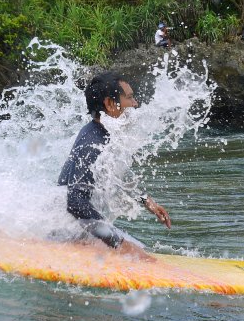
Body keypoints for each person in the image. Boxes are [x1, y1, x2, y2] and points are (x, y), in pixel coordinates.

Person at [58, 72, 171, 261]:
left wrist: (146, 200)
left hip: (83, 228)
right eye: (129, 98)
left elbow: (115, 178)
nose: (135, 104)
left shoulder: (104, 134)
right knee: (133, 249)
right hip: (65, 233)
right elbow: (75, 201)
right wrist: (120, 244)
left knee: (141, 248)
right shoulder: (93, 142)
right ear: (110, 104)